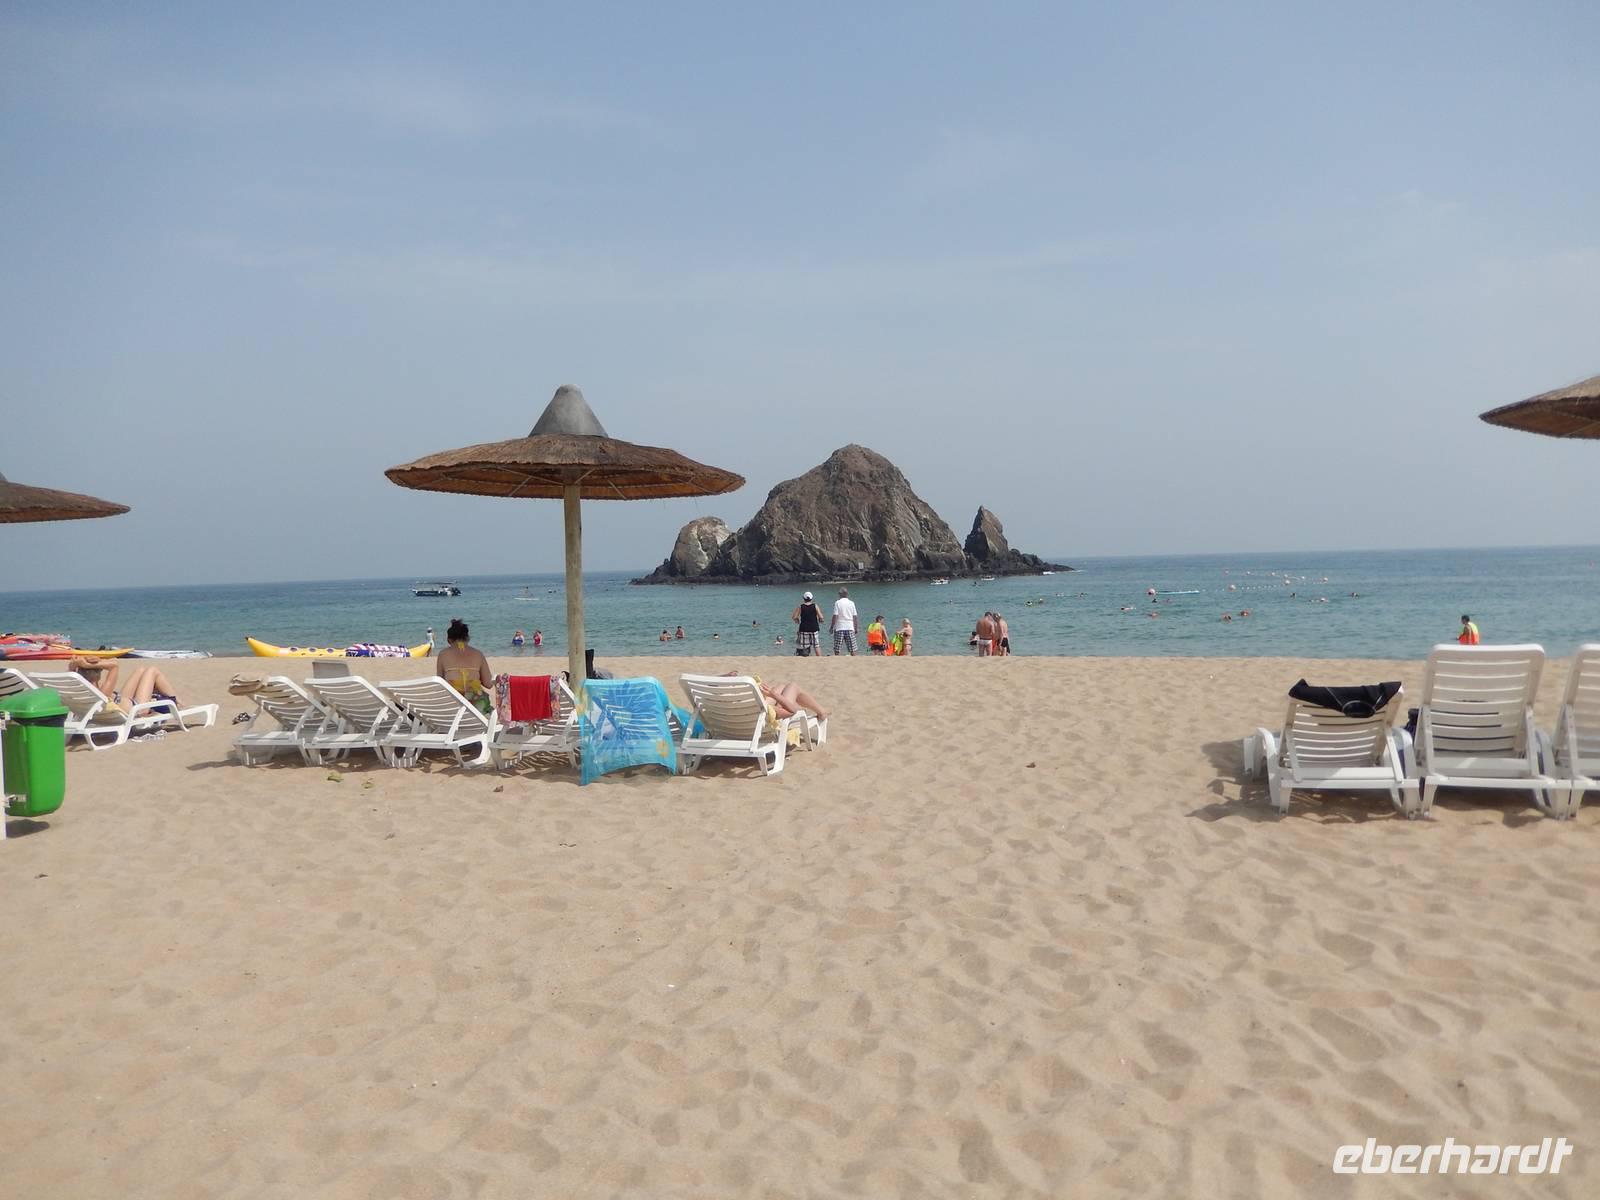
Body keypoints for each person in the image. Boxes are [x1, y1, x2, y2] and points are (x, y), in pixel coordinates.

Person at [437, 619, 493, 712]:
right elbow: (489, 684)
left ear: (449, 640)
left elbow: (440, 682)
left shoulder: (443, 654)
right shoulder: (478, 654)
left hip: (452, 707)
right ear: (467, 638)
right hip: (477, 708)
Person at [791, 590, 823, 657]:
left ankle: (806, 659)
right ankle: (820, 659)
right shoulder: (815, 606)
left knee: (805, 647)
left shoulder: (800, 607)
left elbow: (794, 617)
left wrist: (797, 621)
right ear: (811, 598)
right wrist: (820, 620)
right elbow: (821, 617)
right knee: (816, 646)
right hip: (814, 628)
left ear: (804, 598)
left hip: (804, 628)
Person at [830, 587, 858, 656]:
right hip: (850, 627)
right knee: (852, 648)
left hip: (840, 627)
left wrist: (832, 627)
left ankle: (837, 660)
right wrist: (856, 628)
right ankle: (855, 661)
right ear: (847, 594)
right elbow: (855, 617)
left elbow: (835, 616)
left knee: (837, 648)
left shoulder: (837, 603)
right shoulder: (851, 603)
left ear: (840, 594)